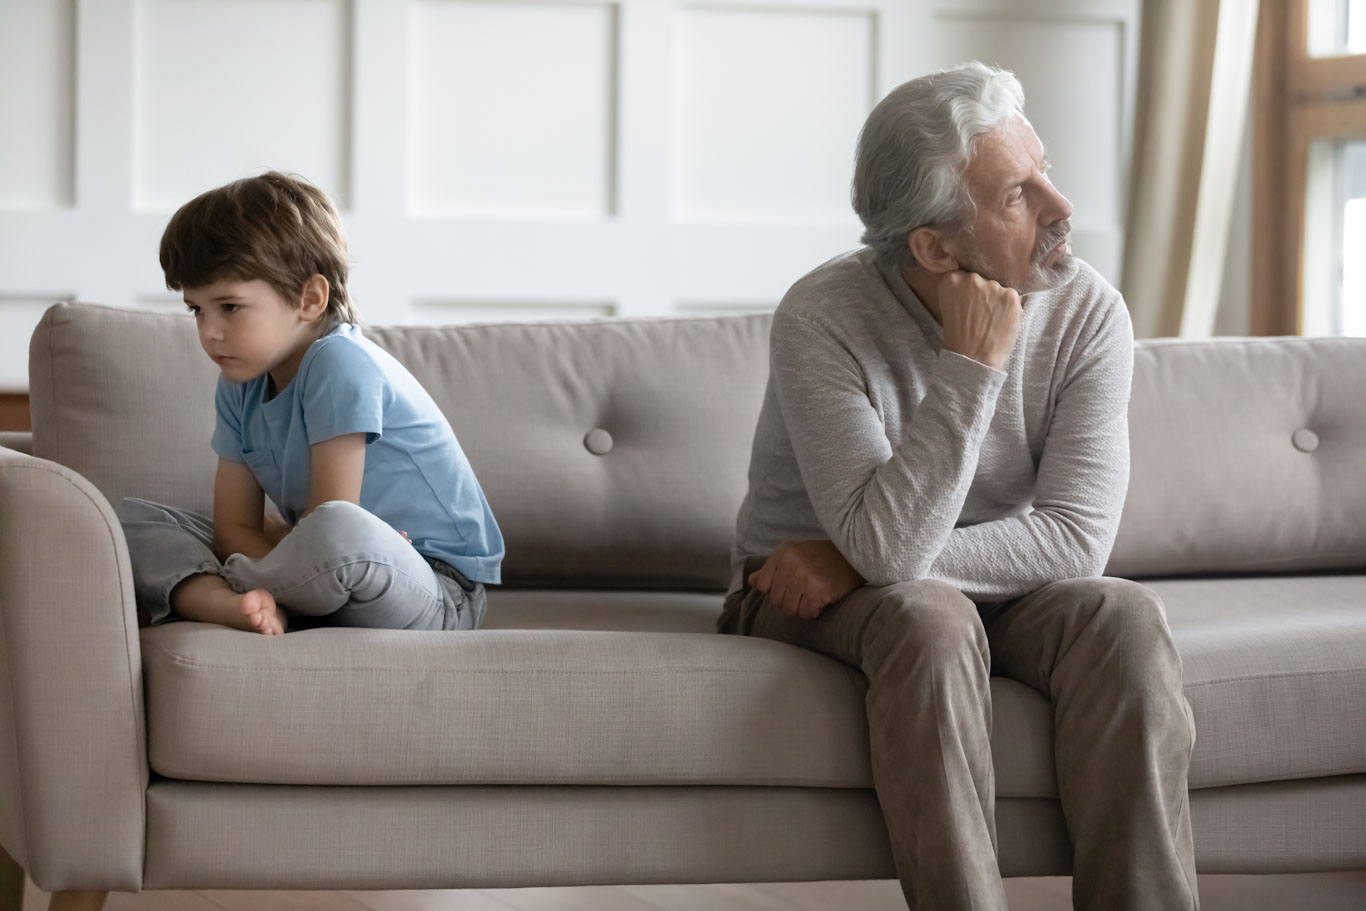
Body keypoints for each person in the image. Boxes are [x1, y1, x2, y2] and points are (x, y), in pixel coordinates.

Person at [719, 62, 1199, 911]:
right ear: (936, 248)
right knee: (929, 613)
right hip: (795, 594)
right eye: (1018, 195)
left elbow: (1075, 539)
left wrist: (851, 554)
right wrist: (970, 366)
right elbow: (896, 557)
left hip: (943, 574)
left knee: (1123, 614)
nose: (1061, 206)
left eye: (1043, 168)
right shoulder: (821, 318)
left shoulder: (1089, 312)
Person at [117, 171, 503, 635]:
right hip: (324, 569)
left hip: (433, 588)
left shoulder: (339, 360)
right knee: (124, 521)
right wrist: (281, 550)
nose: (209, 331)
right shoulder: (239, 382)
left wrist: (278, 550)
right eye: (197, 309)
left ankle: (222, 591)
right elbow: (233, 527)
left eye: (230, 307)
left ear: (310, 298)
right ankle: (242, 603)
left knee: (340, 529)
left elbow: (330, 525)